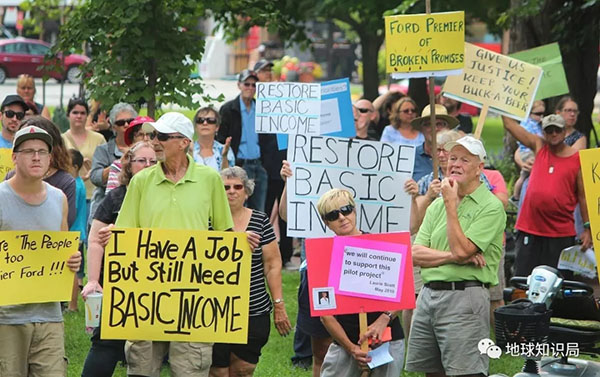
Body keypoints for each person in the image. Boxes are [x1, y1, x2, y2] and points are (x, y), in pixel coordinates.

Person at [114, 112, 234, 377]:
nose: (155, 141)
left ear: (184, 142)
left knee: (190, 370)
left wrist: (240, 244)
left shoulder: (210, 179)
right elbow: (125, 233)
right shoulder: (141, 181)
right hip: (146, 293)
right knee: (142, 369)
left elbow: (225, 234)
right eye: (154, 135)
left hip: (194, 295)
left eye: (163, 136)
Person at [405, 136, 506, 377]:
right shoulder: (436, 205)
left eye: (464, 159)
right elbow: (414, 254)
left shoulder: (490, 206)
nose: (455, 164)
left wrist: (451, 205)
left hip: (465, 296)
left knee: (465, 372)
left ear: (480, 168)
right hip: (429, 296)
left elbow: (463, 250)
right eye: (452, 158)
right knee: (431, 371)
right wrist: (455, 256)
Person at [0, 124, 81, 376]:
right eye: (29, 151)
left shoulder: (59, 198)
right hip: (7, 317)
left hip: (49, 315)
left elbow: (61, 250)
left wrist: (73, 260)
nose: (37, 157)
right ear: (14, 157)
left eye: (43, 152)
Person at [80, 141, 156, 377]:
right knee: (107, 340)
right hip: (118, 281)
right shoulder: (116, 196)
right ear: (129, 165)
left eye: (154, 162)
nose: (148, 165)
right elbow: (95, 239)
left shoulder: (167, 197)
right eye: (141, 160)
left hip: (157, 282)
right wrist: (93, 279)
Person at [210, 166, 292, 377]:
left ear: (247, 192)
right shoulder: (206, 221)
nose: (231, 191)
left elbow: (272, 265)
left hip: (253, 309)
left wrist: (279, 305)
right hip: (213, 308)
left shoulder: (261, 220)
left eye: (238, 186)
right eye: (225, 187)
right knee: (218, 371)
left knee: (243, 370)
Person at [316, 189, 405, 377]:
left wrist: (384, 319)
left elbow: (402, 294)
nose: (341, 217)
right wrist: (351, 349)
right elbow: (326, 314)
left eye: (346, 210)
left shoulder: (382, 246)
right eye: (333, 215)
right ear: (326, 223)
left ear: (354, 211)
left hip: (386, 341)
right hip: (344, 342)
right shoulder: (323, 257)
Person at [502, 114, 592, 278]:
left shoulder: (576, 158)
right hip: (530, 228)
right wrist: (502, 104)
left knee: (557, 285)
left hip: (560, 234)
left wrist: (587, 228)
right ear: (543, 133)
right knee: (524, 281)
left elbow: (583, 196)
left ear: (565, 132)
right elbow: (510, 125)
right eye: (549, 131)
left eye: (557, 130)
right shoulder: (539, 145)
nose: (553, 134)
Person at [217, 69, 269, 212]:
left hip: (259, 165)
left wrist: (265, 164)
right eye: (247, 84)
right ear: (239, 85)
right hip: (239, 165)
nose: (250, 88)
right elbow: (221, 138)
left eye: (254, 85)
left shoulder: (262, 108)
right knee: (237, 209)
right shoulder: (228, 109)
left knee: (259, 210)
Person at [89, 103, 137, 222]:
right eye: (121, 122)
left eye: (130, 121)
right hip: (106, 209)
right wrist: (121, 164)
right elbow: (95, 177)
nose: (126, 125)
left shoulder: (143, 150)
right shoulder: (103, 150)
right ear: (113, 126)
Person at [62, 98, 106, 204]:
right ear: (68, 115)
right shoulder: (61, 139)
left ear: (87, 116)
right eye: (75, 112)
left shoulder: (99, 138)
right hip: (69, 195)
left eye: (82, 113)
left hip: (93, 195)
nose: (79, 116)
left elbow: (106, 164)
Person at [105, 115, 154, 193]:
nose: (145, 139)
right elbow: (112, 198)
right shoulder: (118, 165)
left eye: (149, 135)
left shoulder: (163, 163)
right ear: (132, 139)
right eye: (140, 135)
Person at [410, 104, 458, 181]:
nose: (434, 128)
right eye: (429, 124)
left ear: (448, 128)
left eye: (439, 124)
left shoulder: (459, 156)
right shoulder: (410, 157)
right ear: (421, 129)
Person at [512, 100, 545, 203]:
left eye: (542, 114)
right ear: (530, 113)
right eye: (538, 114)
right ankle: (516, 196)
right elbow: (537, 139)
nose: (541, 117)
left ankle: (516, 196)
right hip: (528, 152)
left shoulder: (533, 123)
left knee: (525, 175)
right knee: (525, 174)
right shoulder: (530, 125)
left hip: (526, 151)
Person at [68, 149, 87, 312]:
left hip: (74, 231)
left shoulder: (74, 185)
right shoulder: (79, 182)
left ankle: (72, 305)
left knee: (71, 269)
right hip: (77, 231)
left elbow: (71, 210)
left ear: (74, 167)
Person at [193, 106, 235, 171]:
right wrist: (190, 153)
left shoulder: (225, 150)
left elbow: (227, 178)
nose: (205, 123)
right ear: (195, 127)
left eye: (210, 121)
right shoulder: (187, 149)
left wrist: (224, 157)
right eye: (200, 120)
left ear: (217, 127)